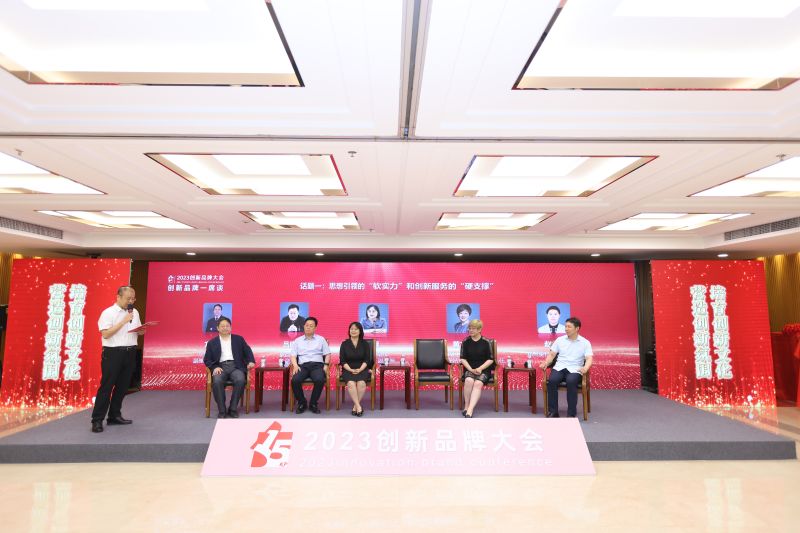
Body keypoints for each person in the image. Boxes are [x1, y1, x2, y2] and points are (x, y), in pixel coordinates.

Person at [91, 285, 147, 433]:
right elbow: (106, 334)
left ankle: (114, 415)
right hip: (113, 353)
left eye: (133, 299)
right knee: (107, 386)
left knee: (122, 386)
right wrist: (123, 321)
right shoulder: (108, 313)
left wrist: (141, 331)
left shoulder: (135, 312)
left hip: (130, 352)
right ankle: (97, 420)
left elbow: (136, 331)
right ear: (118, 297)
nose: (131, 302)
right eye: (128, 299)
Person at [540, 317, 593, 418]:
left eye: (569, 327)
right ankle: (553, 412)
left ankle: (571, 413)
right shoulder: (560, 340)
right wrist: (546, 362)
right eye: (565, 326)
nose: (566, 329)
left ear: (577, 328)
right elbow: (552, 354)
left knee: (571, 381)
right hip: (560, 367)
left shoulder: (585, 342)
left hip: (575, 369)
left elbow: (589, 358)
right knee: (552, 381)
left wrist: (585, 368)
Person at [203, 317, 255, 418]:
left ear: (230, 327)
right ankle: (222, 410)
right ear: (218, 328)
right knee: (217, 381)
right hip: (220, 367)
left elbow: (248, 351)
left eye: (227, 326)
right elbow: (207, 359)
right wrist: (214, 367)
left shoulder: (238, 339)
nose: (225, 328)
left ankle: (233, 408)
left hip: (236, 366)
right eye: (222, 326)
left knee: (240, 379)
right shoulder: (212, 342)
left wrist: (251, 361)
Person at [290, 317, 331, 414]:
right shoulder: (297, 341)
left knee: (319, 379)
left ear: (315, 328)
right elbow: (293, 356)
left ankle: (313, 403)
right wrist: (295, 365)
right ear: (304, 326)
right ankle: (302, 402)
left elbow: (327, 354)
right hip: (302, 366)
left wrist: (325, 366)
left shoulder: (321, 339)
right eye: (307, 325)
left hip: (317, 365)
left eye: (311, 326)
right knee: (295, 380)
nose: (308, 327)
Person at [459, 319, 494, 418]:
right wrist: (470, 369)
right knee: (469, 380)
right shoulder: (465, 342)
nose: (470, 330)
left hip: (483, 369)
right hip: (470, 368)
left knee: (478, 383)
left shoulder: (486, 342)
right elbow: (463, 359)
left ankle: (470, 409)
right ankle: (466, 406)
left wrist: (480, 368)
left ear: (479, 330)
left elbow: (491, 359)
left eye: (473, 328)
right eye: (469, 328)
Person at [339, 321, 373, 416]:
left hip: (362, 368)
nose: (353, 331)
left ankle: (355, 406)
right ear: (349, 331)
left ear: (360, 331)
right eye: (351, 329)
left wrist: (360, 369)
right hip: (348, 369)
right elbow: (342, 361)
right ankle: (358, 406)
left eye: (356, 329)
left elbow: (367, 360)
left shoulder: (365, 344)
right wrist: (350, 370)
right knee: (351, 383)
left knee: (361, 383)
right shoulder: (344, 344)